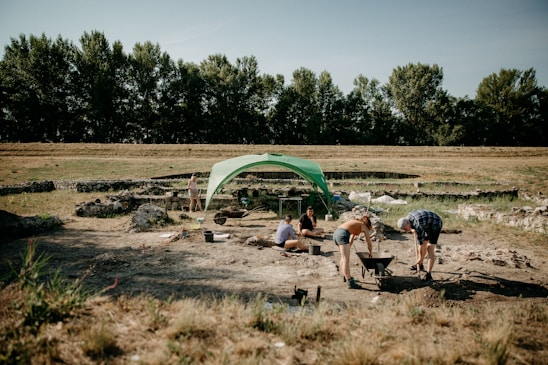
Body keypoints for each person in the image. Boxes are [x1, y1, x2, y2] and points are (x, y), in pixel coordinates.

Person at [397, 209, 443, 282]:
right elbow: (421, 244)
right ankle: (420, 265)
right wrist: (412, 229)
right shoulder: (407, 218)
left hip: (435, 223)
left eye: (406, 229)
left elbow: (420, 245)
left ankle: (428, 274)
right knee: (423, 244)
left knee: (429, 248)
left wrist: (420, 258)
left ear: (408, 223)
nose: (406, 231)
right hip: (426, 222)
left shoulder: (418, 225)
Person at [333, 215, 373, 289]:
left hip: (336, 233)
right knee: (345, 259)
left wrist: (347, 248)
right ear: (368, 225)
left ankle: (345, 276)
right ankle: (350, 281)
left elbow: (351, 239)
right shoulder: (363, 226)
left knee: (343, 257)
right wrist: (370, 252)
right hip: (342, 234)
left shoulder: (356, 224)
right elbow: (369, 242)